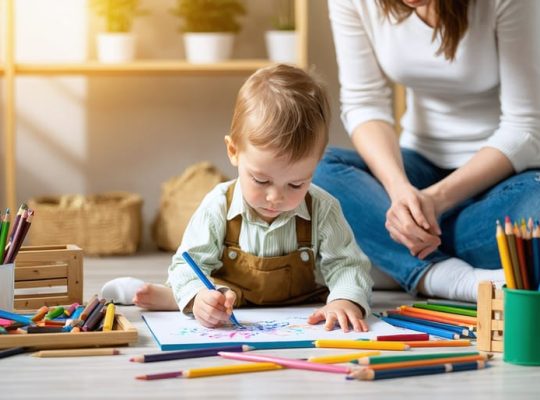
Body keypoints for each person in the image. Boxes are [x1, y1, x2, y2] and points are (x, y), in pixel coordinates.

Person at [106, 64, 373, 332]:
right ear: (233, 151)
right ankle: (182, 299)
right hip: (231, 299)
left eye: (296, 183)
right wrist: (201, 296)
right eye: (261, 180)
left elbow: (347, 264)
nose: (275, 197)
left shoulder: (323, 208)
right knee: (206, 293)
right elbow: (188, 265)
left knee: (334, 292)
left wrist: (344, 300)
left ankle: (176, 298)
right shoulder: (218, 205)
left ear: (315, 164)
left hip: (299, 302)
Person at [313, 0, 540, 302]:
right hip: (416, 166)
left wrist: (434, 202)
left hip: (503, 174)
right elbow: (364, 104)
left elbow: (524, 128)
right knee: (315, 170)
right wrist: (399, 192)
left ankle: (393, 250)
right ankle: (443, 275)